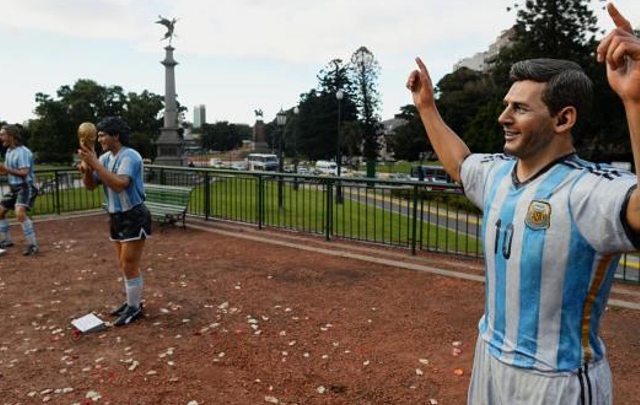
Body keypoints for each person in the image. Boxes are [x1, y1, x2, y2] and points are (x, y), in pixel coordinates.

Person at [406, 3, 640, 404]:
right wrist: (426, 106)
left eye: (519, 108)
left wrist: (636, 102)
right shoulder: (497, 174)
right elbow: (460, 163)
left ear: (563, 119)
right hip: (490, 361)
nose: (503, 117)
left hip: (557, 381)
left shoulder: (586, 190)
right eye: (505, 105)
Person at [78, 117, 151, 327]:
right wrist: (87, 169)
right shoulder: (105, 158)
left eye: (103, 135)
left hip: (133, 214)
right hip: (115, 215)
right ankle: (131, 302)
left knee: (129, 264)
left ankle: (134, 307)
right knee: (124, 264)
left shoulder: (130, 156)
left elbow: (120, 184)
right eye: (98, 135)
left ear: (115, 136)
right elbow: (91, 186)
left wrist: (94, 163)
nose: (99, 139)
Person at [0, 124, 39, 256]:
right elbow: (7, 172)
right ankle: (7, 240)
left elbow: (24, 173)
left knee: (20, 213)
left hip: (25, 186)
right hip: (14, 187)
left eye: (2, 134)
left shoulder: (23, 152)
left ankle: (33, 246)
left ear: (11, 136)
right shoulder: (9, 152)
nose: (1, 137)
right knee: (0, 211)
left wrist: (5, 170)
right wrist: (3, 171)